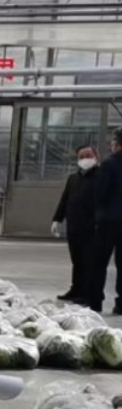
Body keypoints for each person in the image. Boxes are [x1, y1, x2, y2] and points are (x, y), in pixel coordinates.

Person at [52, 146, 100, 302]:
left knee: (89, 261)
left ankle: (87, 293)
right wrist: (57, 219)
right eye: (81, 156)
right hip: (74, 227)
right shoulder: (73, 178)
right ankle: (76, 289)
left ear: (96, 157)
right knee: (77, 261)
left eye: (88, 155)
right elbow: (65, 200)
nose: (85, 159)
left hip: (92, 228)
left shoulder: (102, 177)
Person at [88, 129, 122, 313]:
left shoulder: (108, 164)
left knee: (99, 262)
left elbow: (99, 194)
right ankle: (121, 304)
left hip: (109, 220)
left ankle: (95, 302)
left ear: (117, 143)